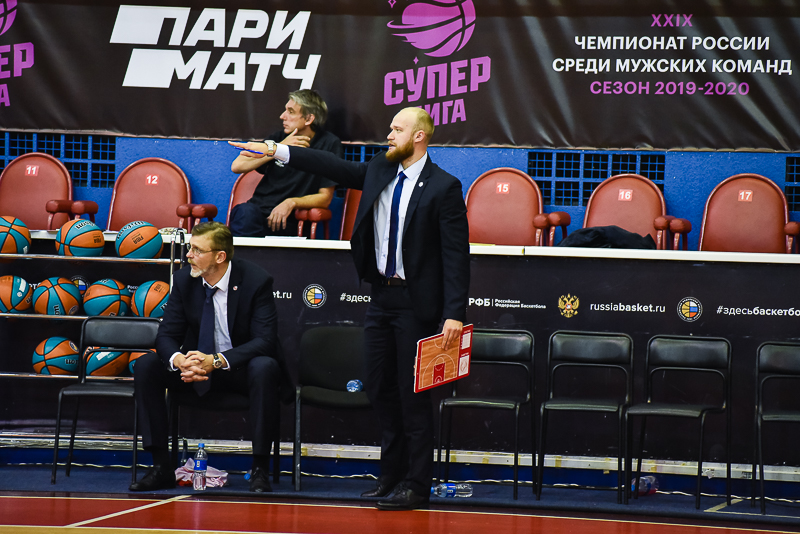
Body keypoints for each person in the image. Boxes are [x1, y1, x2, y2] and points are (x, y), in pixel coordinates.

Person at [229, 107, 470, 511]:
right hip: (381, 298)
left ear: (419, 137)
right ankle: (391, 475)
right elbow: (331, 166)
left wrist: (454, 313)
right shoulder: (379, 169)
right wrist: (276, 150)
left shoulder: (444, 186)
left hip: (417, 304)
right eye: (390, 127)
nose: (389, 134)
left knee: (412, 396)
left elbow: (456, 255)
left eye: (397, 129)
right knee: (378, 387)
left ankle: (417, 484)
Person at [130, 221, 288, 493]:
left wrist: (215, 361)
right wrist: (180, 361)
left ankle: (260, 468)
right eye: (189, 248)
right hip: (194, 369)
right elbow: (166, 335)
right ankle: (161, 466)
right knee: (147, 365)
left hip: (238, 370)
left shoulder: (256, 281)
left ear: (220, 256)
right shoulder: (184, 280)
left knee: (265, 367)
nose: (188, 255)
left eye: (197, 250)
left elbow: (265, 341)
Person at [230, 89, 343, 237]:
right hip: (256, 215)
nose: (282, 116)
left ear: (308, 119)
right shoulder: (279, 138)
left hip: (291, 219)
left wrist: (291, 202)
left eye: (290, 112)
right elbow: (237, 166)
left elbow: (325, 198)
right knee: (244, 212)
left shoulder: (328, 144)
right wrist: (279, 148)